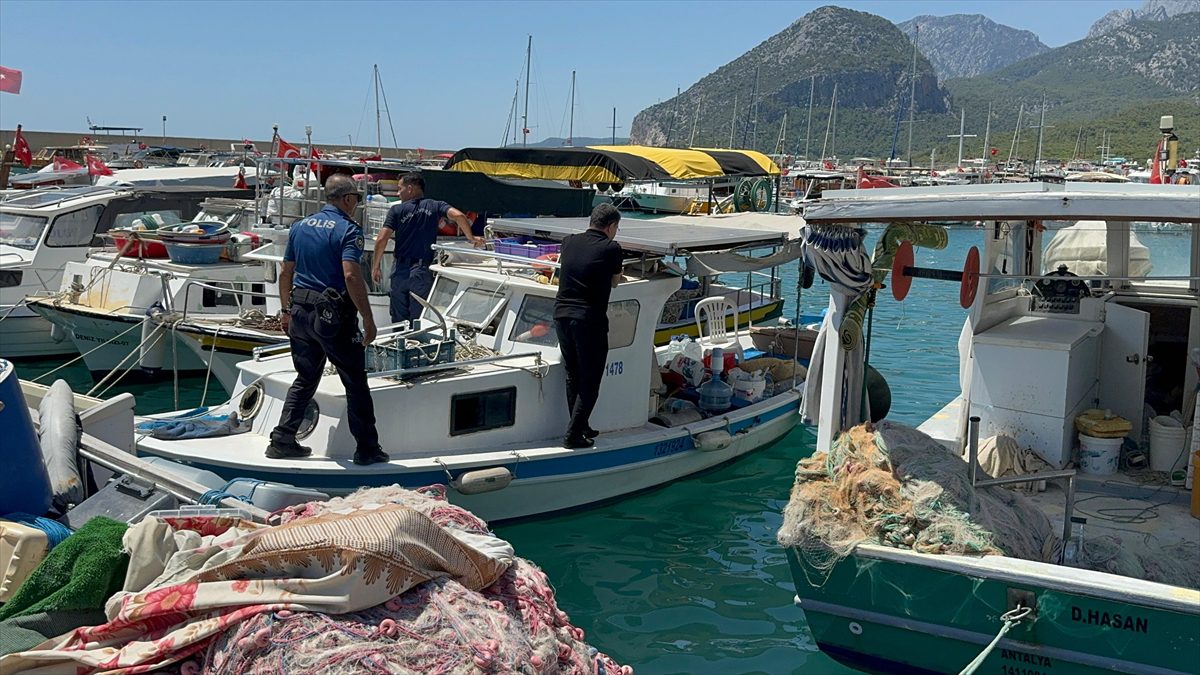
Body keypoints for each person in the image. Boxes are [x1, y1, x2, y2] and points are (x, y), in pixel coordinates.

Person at [269, 174, 389, 466]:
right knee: (355, 380)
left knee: (306, 377)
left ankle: (282, 439)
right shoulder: (348, 230)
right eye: (357, 199)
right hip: (332, 316)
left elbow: (286, 273)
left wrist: (285, 311)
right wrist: (368, 318)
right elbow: (350, 274)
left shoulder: (299, 227)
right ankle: (367, 449)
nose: (356, 204)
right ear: (348, 199)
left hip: (300, 310)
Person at [554, 203, 624, 449]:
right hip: (589, 319)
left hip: (561, 315)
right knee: (591, 379)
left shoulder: (568, 241)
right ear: (611, 226)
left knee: (573, 373)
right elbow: (615, 282)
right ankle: (573, 435)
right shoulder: (611, 247)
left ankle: (581, 425)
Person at [371, 173, 484, 324]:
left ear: (410, 189)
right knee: (418, 320)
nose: (398, 193)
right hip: (421, 272)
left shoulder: (396, 211)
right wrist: (471, 238)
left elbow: (381, 239)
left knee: (398, 321)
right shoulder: (436, 206)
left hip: (399, 271)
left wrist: (375, 266)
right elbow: (459, 216)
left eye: (400, 189)